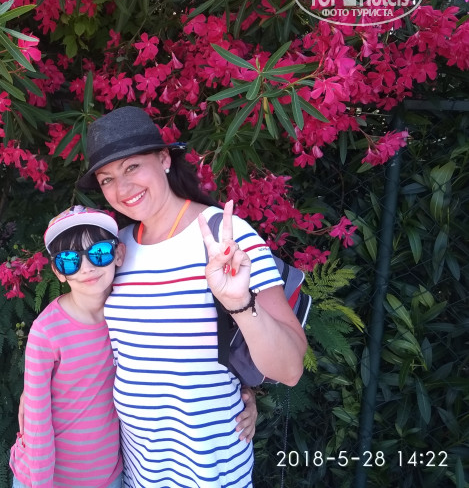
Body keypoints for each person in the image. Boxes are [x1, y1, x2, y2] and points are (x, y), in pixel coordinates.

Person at [74, 106, 307, 488]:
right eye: (107, 179)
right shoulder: (116, 251)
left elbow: (290, 369)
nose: (123, 188)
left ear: (164, 159)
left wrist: (240, 304)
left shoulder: (225, 236)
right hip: (138, 473)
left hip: (208, 473)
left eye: (132, 167)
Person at [9, 206, 126, 488]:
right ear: (58, 272)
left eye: (99, 253)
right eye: (70, 260)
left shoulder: (128, 314)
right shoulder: (46, 332)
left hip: (108, 477)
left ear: (119, 254)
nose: (86, 267)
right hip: (47, 479)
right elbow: (37, 422)